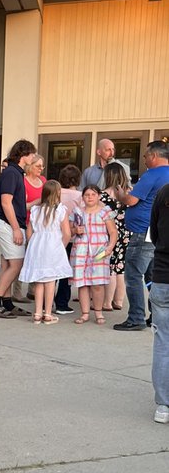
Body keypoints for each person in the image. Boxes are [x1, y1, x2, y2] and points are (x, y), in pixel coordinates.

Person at [113, 141, 169, 331]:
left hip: (141, 231)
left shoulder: (152, 174)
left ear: (154, 156)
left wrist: (120, 195)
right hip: (157, 232)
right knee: (152, 275)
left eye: (145, 156)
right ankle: (156, 315)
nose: (144, 160)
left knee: (134, 274)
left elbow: (131, 199)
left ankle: (136, 317)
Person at [0, 139, 37, 318]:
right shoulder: (12, 173)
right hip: (8, 224)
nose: (33, 157)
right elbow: (6, 202)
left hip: (9, 223)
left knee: (8, 263)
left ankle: (7, 303)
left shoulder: (15, 172)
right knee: (17, 263)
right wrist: (16, 228)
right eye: (32, 154)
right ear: (23, 155)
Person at [22, 180, 72, 324]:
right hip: (53, 246)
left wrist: (34, 245)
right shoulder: (61, 210)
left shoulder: (35, 210)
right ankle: (48, 313)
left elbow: (29, 232)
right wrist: (61, 246)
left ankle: (37, 313)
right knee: (50, 281)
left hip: (37, 246)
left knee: (39, 280)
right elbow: (67, 233)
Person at [71, 184, 117, 324]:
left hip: (99, 251)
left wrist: (110, 247)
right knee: (83, 284)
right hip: (80, 250)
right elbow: (70, 230)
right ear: (83, 197)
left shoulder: (104, 212)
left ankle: (98, 312)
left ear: (98, 196)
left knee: (98, 284)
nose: (90, 197)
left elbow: (113, 232)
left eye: (93, 194)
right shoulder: (78, 212)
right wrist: (75, 231)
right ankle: (85, 313)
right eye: (87, 195)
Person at [149, 182, 169, 424]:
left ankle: (163, 405)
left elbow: (154, 234)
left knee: (163, 343)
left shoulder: (164, 192)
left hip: (163, 276)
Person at [99, 162, 131, 312]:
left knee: (110, 266)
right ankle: (118, 301)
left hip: (109, 232)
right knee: (121, 266)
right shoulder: (129, 193)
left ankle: (107, 302)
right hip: (127, 232)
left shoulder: (102, 195)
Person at [54, 164, 83, 315]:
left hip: (54, 236)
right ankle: (61, 303)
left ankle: (47, 298)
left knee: (53, 270)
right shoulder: (79, 196)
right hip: (72, 236)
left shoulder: (56, 193)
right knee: (66, 271)